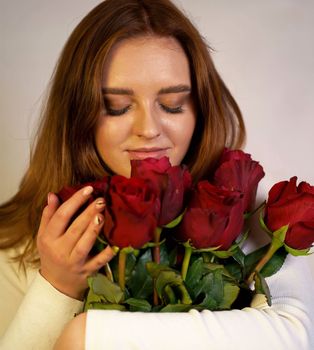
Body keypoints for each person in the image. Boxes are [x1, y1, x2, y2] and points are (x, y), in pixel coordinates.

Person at [0, 0, 313, 349]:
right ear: (78, 114)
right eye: (116, 107)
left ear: (200, 110)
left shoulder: (243, 205)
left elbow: (296, 335)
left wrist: (87, 334)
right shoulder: (16, 239)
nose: (148, 129)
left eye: (172, 104)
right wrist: (56, 287)